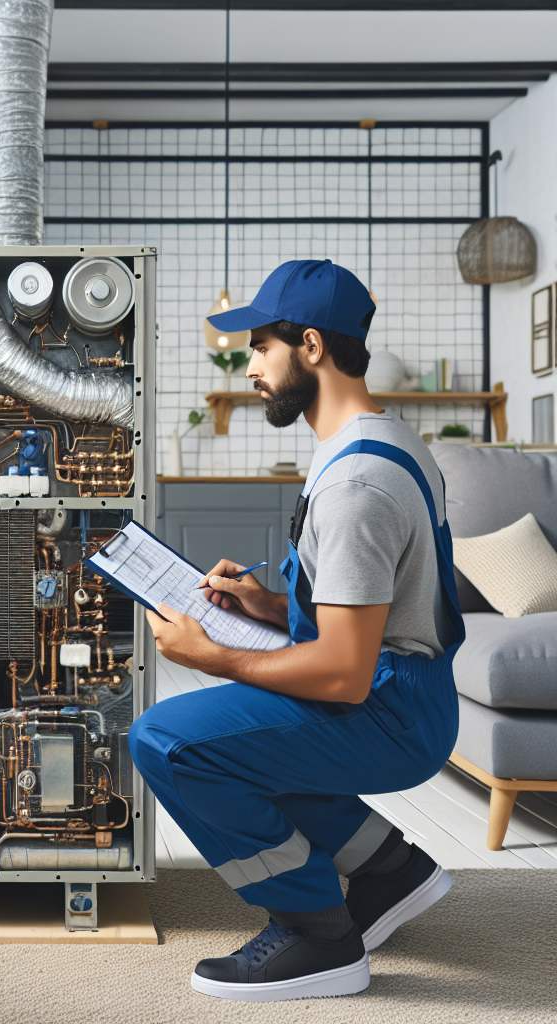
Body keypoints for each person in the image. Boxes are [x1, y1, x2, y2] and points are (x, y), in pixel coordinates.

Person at [129, 259, 464, 1002]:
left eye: (257, 348)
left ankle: (319, 934)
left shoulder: (354, 484)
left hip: (386, 707)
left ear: (310, 346)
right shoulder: (382, 441)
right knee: (238, 741)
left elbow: (343, 673)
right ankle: (386, 871)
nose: (247, 366)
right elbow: (378, 606)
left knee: (168, 742)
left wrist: (211, 654)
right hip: (406, 689)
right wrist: (269, 607)